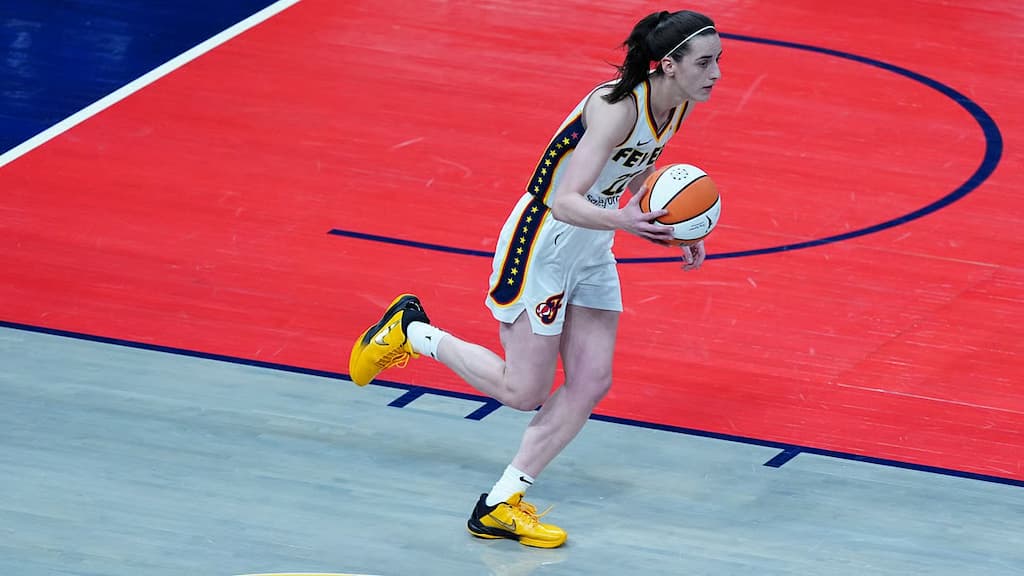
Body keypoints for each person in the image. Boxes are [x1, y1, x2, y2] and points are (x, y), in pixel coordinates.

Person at [349, 9, 722, 548]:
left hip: (593, 243)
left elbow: (635, 170)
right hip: (542, 240)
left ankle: (500, 501)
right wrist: (624, 220)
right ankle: (411, 332)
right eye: (705, 62)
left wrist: (670, 223)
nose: (716, 74)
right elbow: (566, 199)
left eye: (719, 62)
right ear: (668, 65)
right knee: (523, 391)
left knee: (592, 380)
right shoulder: (614, 107)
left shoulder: (678, 104)